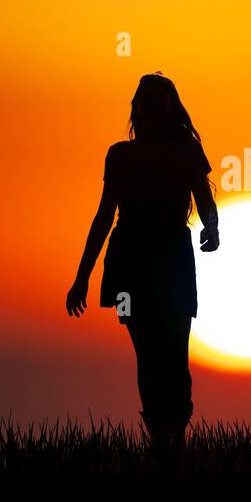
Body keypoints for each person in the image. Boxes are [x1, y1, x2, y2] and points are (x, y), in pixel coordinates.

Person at [65, 72, 220, 465]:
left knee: (175, 353)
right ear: (136, 109)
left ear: (169, 110)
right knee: (148, 355)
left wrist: (213, 227)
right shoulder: (120, 155)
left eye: (156, 103)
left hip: (172, 258)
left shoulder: (186, 151)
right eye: (142, 103)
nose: (147, 110)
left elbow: (204, 196)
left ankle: (177, 438)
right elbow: (103, 216)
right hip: (128, 262)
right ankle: (159, 440)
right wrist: (81, 277)